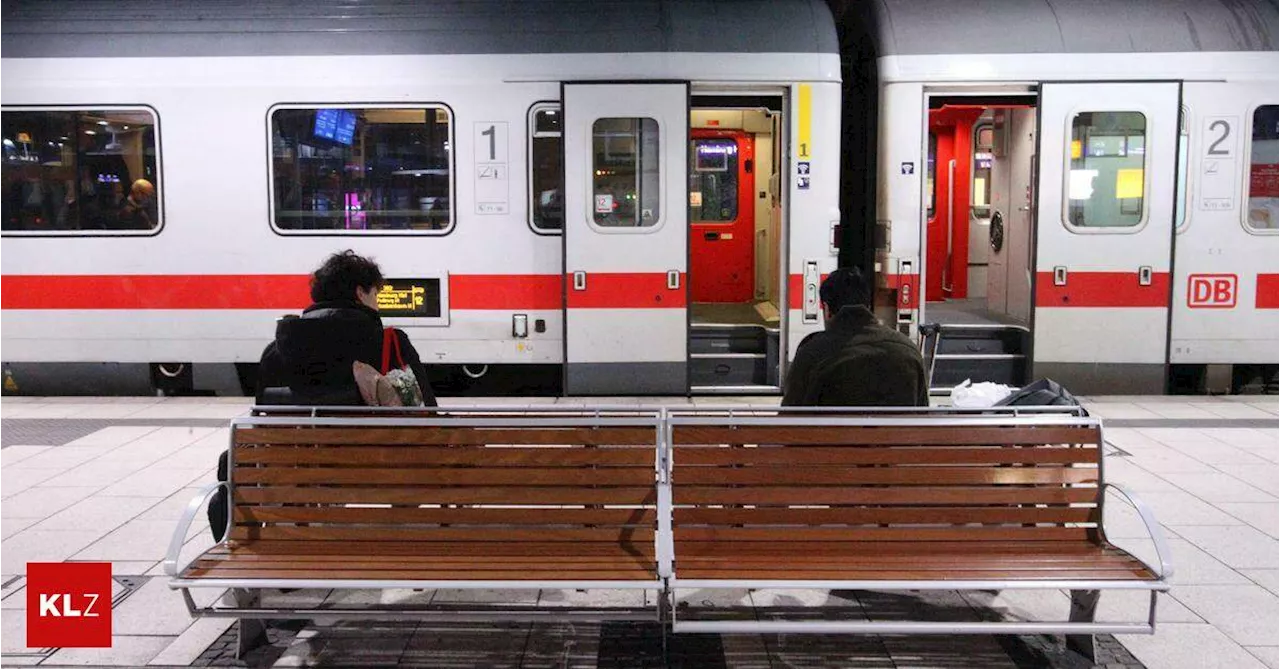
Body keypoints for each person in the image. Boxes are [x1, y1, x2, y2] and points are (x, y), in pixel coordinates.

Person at [253, 249, 437, 407]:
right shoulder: (391, 343)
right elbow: (427, 408)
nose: (377, 304)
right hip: (375, 447)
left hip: (295, 447)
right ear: (360, 294)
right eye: (375, 294)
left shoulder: (276, 351)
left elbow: (263, 418)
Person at [781, 266, 928, 407]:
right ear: (869, 306)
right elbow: (922, 413)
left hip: (835, 433)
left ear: (826, 309)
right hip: (900, 433)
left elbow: (790, 417)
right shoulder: (908, 351)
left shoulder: (812, 354)